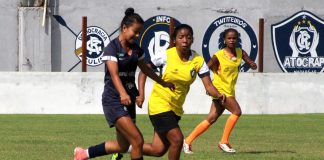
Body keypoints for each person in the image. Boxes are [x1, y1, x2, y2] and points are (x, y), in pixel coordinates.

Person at [73, 8, 174, 160]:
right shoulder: (112, 47)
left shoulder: (136, 50)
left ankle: (84, 154)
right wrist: (122, 93)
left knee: (122, 146)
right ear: (124, 28)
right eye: (135, 31)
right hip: (113, 100)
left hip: (129, 99)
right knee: (137, 140)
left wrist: (163, 82)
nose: (138, 35)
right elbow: (113, 74)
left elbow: (145, 69)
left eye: (140, 32)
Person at [134, 24, 225, 160]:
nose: (185, 40)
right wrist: (141, 94)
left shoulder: (198, 60)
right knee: (177, 140)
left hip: (175, 108)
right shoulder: (165, 55)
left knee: (158, 150)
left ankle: (125, 147)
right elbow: (143, 72)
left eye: (188, 37)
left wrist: (218, 95)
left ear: (192, 40)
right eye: (181, 37)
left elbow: (209, 86)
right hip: (159, 104)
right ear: (174, 40)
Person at [183, 28, 257, 154]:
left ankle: (187, 141)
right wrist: (209, 87)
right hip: (220, 90)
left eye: (234, 38)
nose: (232, 40)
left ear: (237, 39)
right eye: (229, 38)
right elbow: (205, 68)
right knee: (237, 111)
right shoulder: (218, 55)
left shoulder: (240, 52)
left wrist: (252, 64)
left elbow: (249, 61)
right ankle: (223, 142)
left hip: (230, 90)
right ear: (224, 40)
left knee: (211, 118)